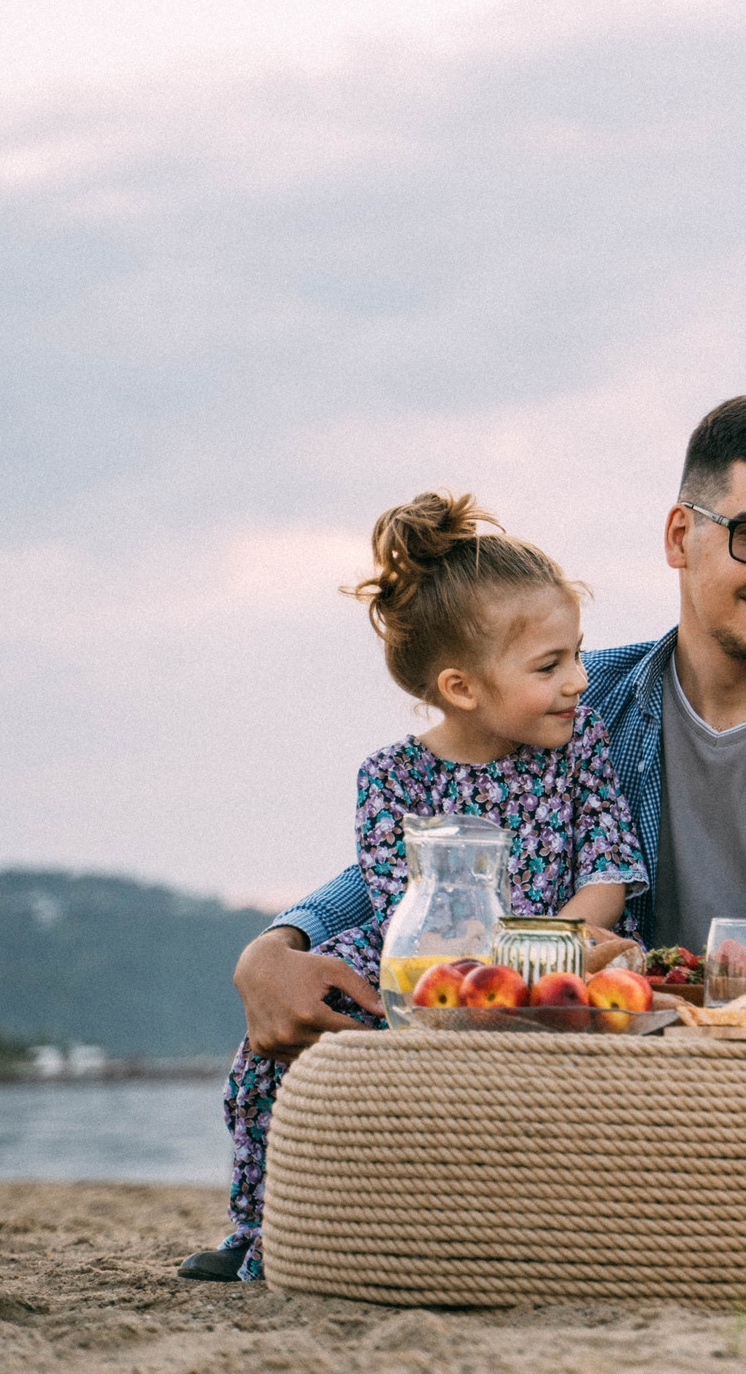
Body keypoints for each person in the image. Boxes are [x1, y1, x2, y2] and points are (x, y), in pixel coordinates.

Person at [190, 394, 746, 1279]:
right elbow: (444, 849)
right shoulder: (581, 702)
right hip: (586, 1071)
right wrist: (281, 940)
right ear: (679, 536)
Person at [198, 491, 650, 1283]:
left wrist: (543, 957)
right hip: (421, 971)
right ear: (462, 686)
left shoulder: (580, 749)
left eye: (578, 652)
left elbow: (607, 873)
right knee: (277, 1056)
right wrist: (469, 971)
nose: (580, 680)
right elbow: (399, 901)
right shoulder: (391, 775)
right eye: (550, 665)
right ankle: (263, 1224)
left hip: (550, 965)